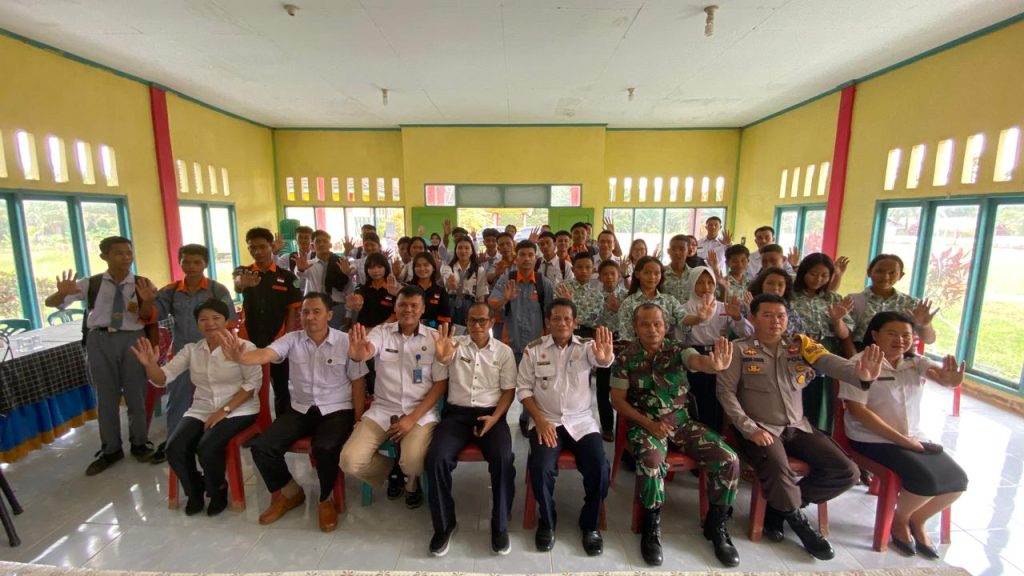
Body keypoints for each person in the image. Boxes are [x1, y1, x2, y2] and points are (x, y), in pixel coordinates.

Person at [716, 294, 883, 560]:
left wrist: (858, 373)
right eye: (767, 315)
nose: (775, 321)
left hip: (798, 427)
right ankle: (800, 524)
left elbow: (830, 362)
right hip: (760, 428)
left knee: (847, 471)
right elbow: (726, 393)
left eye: (780, 316)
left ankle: (779, 509)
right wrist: (750, 429)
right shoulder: (738, 350)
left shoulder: (800, 346)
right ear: (753, 318)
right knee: (777, 465)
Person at [221, 292, 368, 532]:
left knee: (325, 447)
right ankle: (290, 492)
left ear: (329, 315)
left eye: (316, 312)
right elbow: (267, 354)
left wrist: (358, 419)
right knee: (262, 447)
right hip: (301, 408)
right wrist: (242, 358)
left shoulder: (345, 341)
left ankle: (326, 499)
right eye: (305, 312)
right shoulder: (292, 339)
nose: (309, 317)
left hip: (337, 409)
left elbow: (358, 382)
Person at [611, 303, 740, 566]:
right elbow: (618, 401)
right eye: (645, 324)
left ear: (666, 326)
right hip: (645, 423)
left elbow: (697, 361)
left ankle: (716, 524)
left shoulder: (679, 349)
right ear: (635, 327)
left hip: (681, 423)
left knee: (729, 459)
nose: (652, 329)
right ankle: (650, 524)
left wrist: (712, 364)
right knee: (651, 462)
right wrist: (648, 424)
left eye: (657, 323)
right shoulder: (625, 357)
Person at [839, 311, 968, 559]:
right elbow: (858, 411)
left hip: (913, 436)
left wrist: (951, 381)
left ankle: (917, 520)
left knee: (957, 481)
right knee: (925, 480)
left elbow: (941, 377)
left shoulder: (915, 362)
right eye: (892, 334)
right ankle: (899, 520)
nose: (900, 340)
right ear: (875, 335)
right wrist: (902, 441)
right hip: (872, 438)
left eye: (906, 335)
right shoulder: (860, 363)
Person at [130, 299, 260, 516]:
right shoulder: (191, 350)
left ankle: (218, 490)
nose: (210, 323)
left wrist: (224, 411)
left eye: (216, 318)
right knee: (174, 447)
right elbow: (162, 378)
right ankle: (194, 490)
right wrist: (150, 365)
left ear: (226, 320)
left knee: (206, 446)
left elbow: (252, 385)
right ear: (197, 323)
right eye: (203, 319)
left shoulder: (244, 347)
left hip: (239, 409)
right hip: (202, 409)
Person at [45, 236, 159, 474]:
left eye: (129, 252)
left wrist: (148, 301)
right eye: (118, 253)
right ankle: (111, 449)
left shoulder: (142, 283)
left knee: (136, 394)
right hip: (100, 339)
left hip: (133, 339)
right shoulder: (91, 283)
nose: (125, 258)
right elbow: (52, 303)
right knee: (106, 397)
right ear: (104, 256)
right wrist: (60, 294)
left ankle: (140, 443)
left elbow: (147, 316)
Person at [517, 298, 615, 555]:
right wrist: (539, 420)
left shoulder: (587, 347)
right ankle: (547, 521)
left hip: (581, 422)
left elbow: (602, 360)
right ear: (547, 322)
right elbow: (523, 390)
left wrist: (605, 358)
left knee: (600, 467)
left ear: (575, 323)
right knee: (540, 468)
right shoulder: (534, 350)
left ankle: (590, 524)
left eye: (567, 319)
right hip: (546, 420)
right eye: (556, 318)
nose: (562, 323)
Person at [341, 285, 449, 509]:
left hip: (420, 412)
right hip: (383, 410)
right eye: (402, 305)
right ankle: (392, 470)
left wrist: (412, 419)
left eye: (414, 305)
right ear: (395, 307)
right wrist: (359, 354)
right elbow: (367, 350)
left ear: (422, 309)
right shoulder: (382, 332)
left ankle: (411, 481)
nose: (408, 310)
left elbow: (440, 385)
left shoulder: (434, 338)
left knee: (413, 463)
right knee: (349, 461)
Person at [424, 308, 517, 557]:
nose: (477, 325)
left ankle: (500, 524)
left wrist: (495, 418)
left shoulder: (504, 352)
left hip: (491, 415)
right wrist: (442, 358)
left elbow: (509, 391)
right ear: (466, 322)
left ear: (491, 322)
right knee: (435, 458)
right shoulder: (453, 345)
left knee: (503, 458)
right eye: (472, 320)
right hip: (456, 416)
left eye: (482, 320)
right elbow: (439, 378)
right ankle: (444, 525)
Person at [151, 244, 237, 464]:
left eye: (197, 262)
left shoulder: (217, 290)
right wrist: (146, 300)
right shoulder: (171, 291)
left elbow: (229, 321)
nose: (191, 267)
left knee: (217, 395)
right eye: (186, 262)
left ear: (205, 264)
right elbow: (153, 315)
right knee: (178, 399)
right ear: (179, 262)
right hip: (183, 353)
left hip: (214, 352)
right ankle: (173, 442)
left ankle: (213, 438)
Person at [233, 227, 302, 417]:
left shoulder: (287, 277)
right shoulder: (244, 272)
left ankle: (282, 422)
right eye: (252, 248)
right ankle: (253, 423)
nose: (258, 252)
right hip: (249, 339)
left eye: (262, 247)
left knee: (281, 386)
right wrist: (242, 283)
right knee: (250, 385)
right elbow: (237, 284)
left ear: (272, 247)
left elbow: (292, 309)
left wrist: (287, 336)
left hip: (277, 339)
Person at [489, 240, 553, 436]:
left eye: (530, 255)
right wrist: (505, 299)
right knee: (505, 385)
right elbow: (491, 305)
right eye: (522, 255)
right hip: (511, 344)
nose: (526, 258)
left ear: (536, 258)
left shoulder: (543, 284)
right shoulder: (506, 280)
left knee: (533, 386)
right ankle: (497, 420)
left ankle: (526, 418)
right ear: (516, 258)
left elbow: (551, 315)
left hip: (536, 347)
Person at [679, 266, 752, 432]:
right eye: (700, 283)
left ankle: (717, 434)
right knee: (697, 397)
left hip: (721, 356)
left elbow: (748, 334)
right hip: (695, 358)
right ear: (692, 284)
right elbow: (679, 340)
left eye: (710, 282)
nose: (706, 287)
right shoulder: (684, 309)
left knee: (719, 398)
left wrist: (737, 317)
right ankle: (697, 434)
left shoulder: (724, 307)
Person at [790, 253, 856, 432]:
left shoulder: (834, 298)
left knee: (822, 397)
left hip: (825, 350)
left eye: (824, 275)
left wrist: (837, 319)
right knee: (796, 391)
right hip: (796, 349)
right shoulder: (790, 295)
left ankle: (820, 434)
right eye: (813, 274)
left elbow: (844, 334)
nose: (818, 279)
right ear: (803, 272)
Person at [848, 254, 937, 349]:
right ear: (869, 272)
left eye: (892, 273)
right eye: (880, 271)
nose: (885, 277)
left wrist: (925, 325)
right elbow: (846, 337)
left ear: (900, 276)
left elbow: (929, 340)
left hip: (899, 355)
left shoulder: (910, 303)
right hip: (862, 353)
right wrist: (853, 356)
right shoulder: (852, 300)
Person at [594, 259, 627, 440]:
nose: (609, 277)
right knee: (602, 388)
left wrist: (620, 309)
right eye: (605, 274)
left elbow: (634, 320)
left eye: (612, 274)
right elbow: (589, 320)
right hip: (603, 345)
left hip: (624, 345)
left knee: (624, 387)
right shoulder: (594, 296)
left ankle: (624, 425)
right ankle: (607, 427)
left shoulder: (627, 296)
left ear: (619, 276)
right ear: (599, 277)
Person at [617, 256, 685, 342]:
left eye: (656, 273)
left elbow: (684, 321)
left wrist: (698, 318)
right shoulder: (628, 303)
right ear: (637, 274)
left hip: (666, 348)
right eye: (647, 273)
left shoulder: (669, 300)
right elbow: (626, 336)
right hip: (637, 349)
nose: (652, 277)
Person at [294, 230, 351, 329]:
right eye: (318, 241)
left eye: (325, 241)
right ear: (312, 246)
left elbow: (349, 289)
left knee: (336, 337)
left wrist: (348, 313)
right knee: (313, 336)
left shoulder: (340, 263)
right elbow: (297, 282)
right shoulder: (308, 264)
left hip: (337, 308)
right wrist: (300, 270)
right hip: (313, 309)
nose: (321, 244)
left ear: (330, 245)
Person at [554, 252, 602, 338]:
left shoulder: (597, 294)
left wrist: (569, 305)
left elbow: (594, 320)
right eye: (580, 267)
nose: (584, 271)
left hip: (587, 334)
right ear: (573, 269)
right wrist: (566, 304)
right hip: (564, 330)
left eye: (588, 267)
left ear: (593, 270)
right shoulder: (562, 287)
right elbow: (555, 313)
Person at [749, 266, 805, 337]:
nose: (775, 288)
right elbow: (746, 333)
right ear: (761, 285)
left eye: (780, 285)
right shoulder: (747, 305)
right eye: (770, 283)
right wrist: (750, 310)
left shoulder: (791, 312)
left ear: (786, 288)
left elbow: (798, 336)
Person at [446, 237, 488, 326]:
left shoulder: (479, 270)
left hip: (469, 304)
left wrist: (480, 312)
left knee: (468, 331)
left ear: (472, 251)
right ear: (455, 250)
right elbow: (445, 286)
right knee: (450, 330)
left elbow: (481, 294)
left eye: (467, 248)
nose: (463, 251)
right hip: (450, 303)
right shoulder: (448, 268)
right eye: (460, 248)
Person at [406, 252, 452, 329]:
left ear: (433, 268)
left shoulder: (440, 291)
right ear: (413, 269)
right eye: (418, 265)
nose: (422, 268)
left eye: (426, 265)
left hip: (433, 331)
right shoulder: (407, 287)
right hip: (409, 329)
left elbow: (445, 320)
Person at [662, 234, 693, 304]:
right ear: (668, 251)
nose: (677, 252)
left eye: (682, 249)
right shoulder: (660, 273)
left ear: (689, 252)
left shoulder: (694, 274)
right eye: (673, 249)